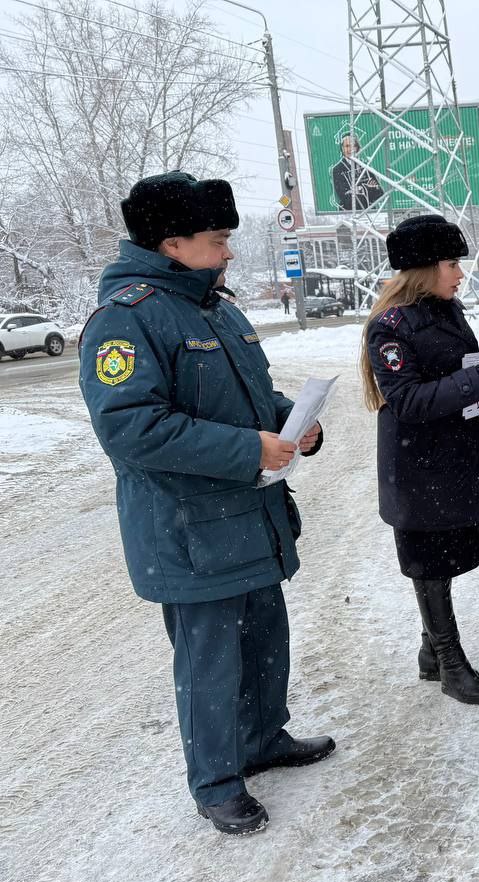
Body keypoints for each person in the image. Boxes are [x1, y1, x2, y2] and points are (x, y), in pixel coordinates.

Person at [78, 171, 334, 835]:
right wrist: (248, 448)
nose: (227, 253)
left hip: (251, 519)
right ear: (172, 244)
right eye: (217, 239)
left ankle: (263, 739)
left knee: (267, 643)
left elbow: (255, 398)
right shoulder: (125, 320)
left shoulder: (216, 309)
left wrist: (292, 423)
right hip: (191, 531)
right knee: (211, 662)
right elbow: (131, 429)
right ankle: (217, 780)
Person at [361, 215, 479, 705]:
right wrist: (478, 383)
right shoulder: (390, 327)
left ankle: (430, 649)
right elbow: (406, 401)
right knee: (428, 565)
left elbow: (451, 372)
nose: (460, 273)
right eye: (452, 262)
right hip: (416, 467)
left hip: (450, 457)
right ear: (423, 268)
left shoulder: (443, 309)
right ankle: (451, 662)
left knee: (445, 559)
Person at [331, 133, 385, 211]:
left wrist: (357, 189)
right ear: (342, 148)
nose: (350, 149)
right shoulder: (337, 169)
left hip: (371, 212)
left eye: (353, 146)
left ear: (357, 148)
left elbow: (380, 193)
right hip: (348, 213)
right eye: (347, 146)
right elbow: (344, 198)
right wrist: (367, 188)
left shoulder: (366, 166)